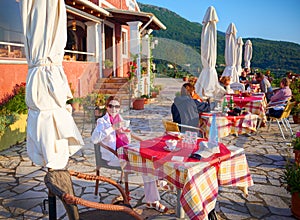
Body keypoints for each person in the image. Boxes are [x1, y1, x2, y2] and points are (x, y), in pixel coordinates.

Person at [91, 96, 168, 213]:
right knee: (145, 165)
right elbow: (94, 139)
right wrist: (112, 128)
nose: (114, 109)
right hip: (113, 156)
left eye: (117, 106)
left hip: (125, 151)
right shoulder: (102, 121)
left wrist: (133, 136)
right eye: (111, 106)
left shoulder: (120, 119)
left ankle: (153, 196)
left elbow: (127, 133)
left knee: (147, 160)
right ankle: (154, 196)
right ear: (107, 107)